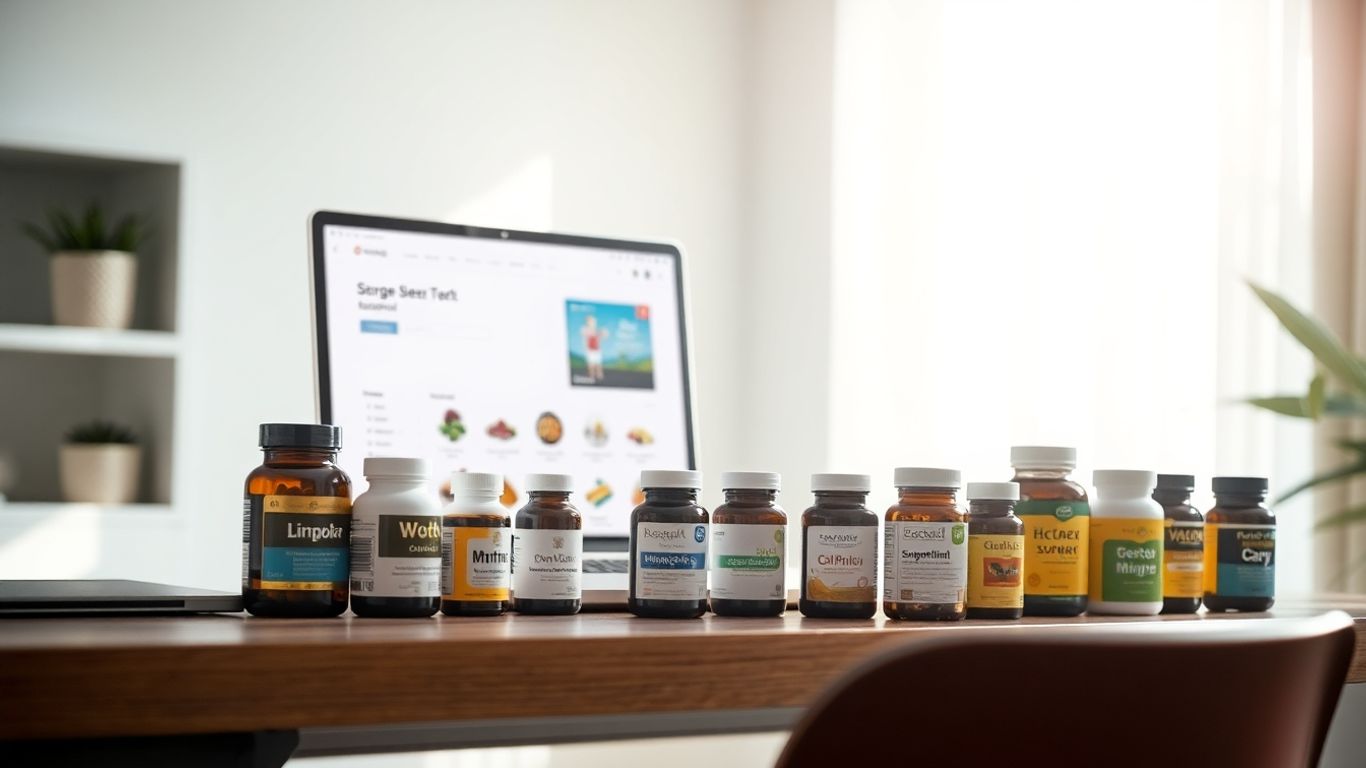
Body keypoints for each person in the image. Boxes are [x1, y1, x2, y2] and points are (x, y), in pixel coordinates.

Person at [580, 314, 609, 382]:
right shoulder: (585, 329)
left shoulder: (597, 330)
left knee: (598, 363)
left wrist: (604, 333)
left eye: (594, 322)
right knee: (591, 363)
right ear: (587, 322)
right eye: (591, 322)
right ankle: (591, 375)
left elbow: (604, 336)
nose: (593, 323)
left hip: (597, 349)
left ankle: (599, 374)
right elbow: (585, 334)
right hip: (590, 349)